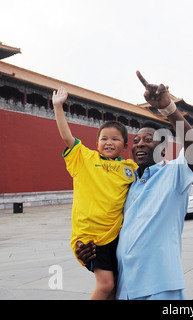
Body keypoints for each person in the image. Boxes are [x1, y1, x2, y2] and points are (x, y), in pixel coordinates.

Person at [76, 71, 193, 300]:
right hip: (126, 287)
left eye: (147, 139)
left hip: (160, 285)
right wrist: (92, 254)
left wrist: (168, 108)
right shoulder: (129, 184)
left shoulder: (174, 175)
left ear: (163, 148)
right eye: (136, 141)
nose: (140, 144)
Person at [52, 87, 137, 300]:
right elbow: (67, 137)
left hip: (116, 236)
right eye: (104, 139)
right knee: (106, 284)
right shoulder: (85, 159)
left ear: (125, 145)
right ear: (96, 143)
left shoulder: (130, 168)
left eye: (115, 139)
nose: (109, 142)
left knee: (115, 286)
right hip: (90, 238)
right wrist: (58, 106)